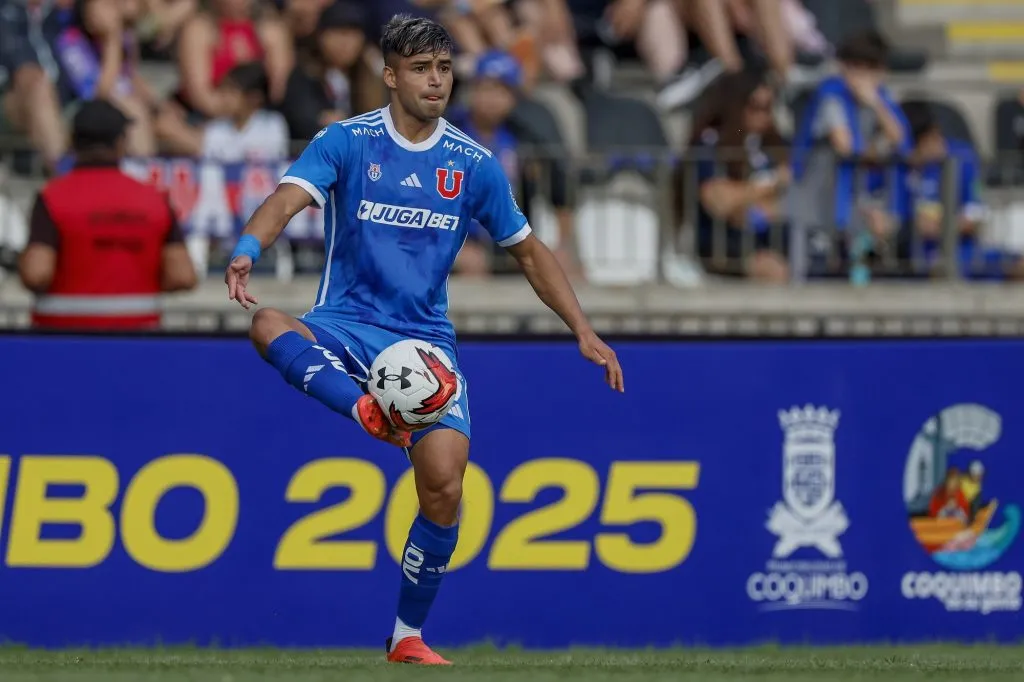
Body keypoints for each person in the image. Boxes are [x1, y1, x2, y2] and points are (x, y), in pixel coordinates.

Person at [223, 14, 623, 665]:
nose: (435, 80)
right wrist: (246, 248)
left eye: (443, 68)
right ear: (390, 75)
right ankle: (364, 411)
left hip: (424, 345)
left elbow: (527, 252)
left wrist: (583, 330)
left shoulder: (471, 163)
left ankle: (407, 636)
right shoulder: (346, 142)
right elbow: (285, 200)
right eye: (420, 68)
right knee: (266, 323)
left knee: (443, 481)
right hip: (343, 325)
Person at [18, 99, 197, 329]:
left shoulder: (52, 198)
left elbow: (36, 273)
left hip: (61, 341)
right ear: (121, 142)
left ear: (72, 141)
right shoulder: (155, 199)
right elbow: (182, 275)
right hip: (138, 338)